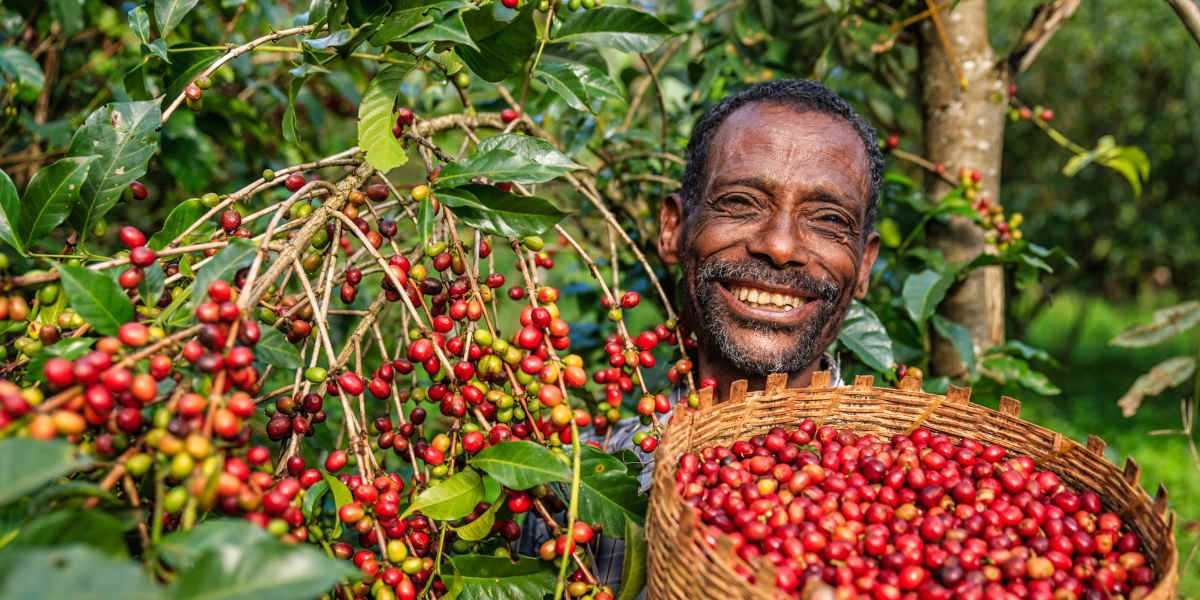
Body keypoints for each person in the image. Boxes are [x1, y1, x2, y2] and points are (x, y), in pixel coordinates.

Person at [520, 78, 884, 596]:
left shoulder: (910, 468)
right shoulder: (570, 489)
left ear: (864, 264)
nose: (779, 246)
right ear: (673, 228)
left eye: (828, 220)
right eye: (741, 202)